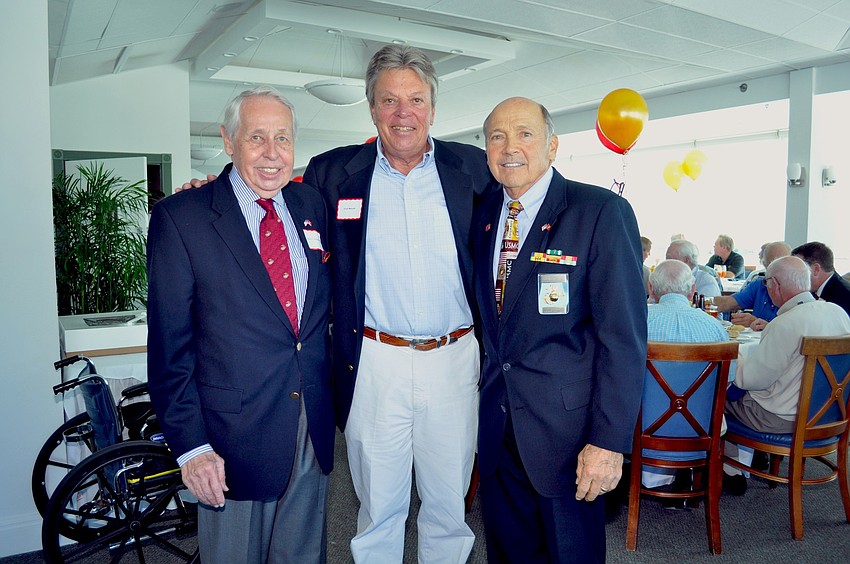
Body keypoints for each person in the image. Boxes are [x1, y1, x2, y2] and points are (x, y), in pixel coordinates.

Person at [302, 44, 496, 563]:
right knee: (377, 507)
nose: (403, 113)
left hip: (454, 360)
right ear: (371, 108)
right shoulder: (331, 173)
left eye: (415, 99)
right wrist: (212, 192)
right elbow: (278, 208)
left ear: (432, 106)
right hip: (374, 362)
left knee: (447, 509)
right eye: (389, 100)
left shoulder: (474, 169)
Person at [147, 86, 335, 562]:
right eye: (257, 138)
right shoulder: (182, 217)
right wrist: (191, 448)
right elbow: (170, 349)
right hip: (231, 438)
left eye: (284, 139)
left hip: (309, 424)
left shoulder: (310, 206)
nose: (273, 155)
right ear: (228, 141)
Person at [472, 97, 646, 563]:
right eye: (497, 136)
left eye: (525, 134)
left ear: (552, 147)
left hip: (570, 440)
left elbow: (623, 340)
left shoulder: (600, 212)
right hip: (498, 429)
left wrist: (609, 443)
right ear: (486, 149)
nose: (511, 148)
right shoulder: (485, 214)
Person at [724, 256, 850, 494]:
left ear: (776, 285)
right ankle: (747, 463)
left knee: (713, 398)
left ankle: (730, 469)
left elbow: (750, 380)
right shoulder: (838, 313)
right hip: (831, 416)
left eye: (766, 284)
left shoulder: (785, 323)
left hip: (780, 418)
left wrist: (735, 355)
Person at [644, 259, 729, 499]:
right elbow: (728, 381)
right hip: (701, 429)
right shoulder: (715, 328)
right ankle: (686, 475)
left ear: (650, 288)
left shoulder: (637, 322)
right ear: (693, 290)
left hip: (642, 427)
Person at [713, 241, 791, 329]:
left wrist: (758, 322)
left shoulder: (796, 290)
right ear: (765, 265)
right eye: (771, 265)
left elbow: (792, 329)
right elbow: (728, 302)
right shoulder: (760, 284)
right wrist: (703, 303)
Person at [792, 241, 850, 316]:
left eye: (798, 269)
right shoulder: (812, 292)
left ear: (816, 269)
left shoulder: (845, 297)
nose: (795, 276)